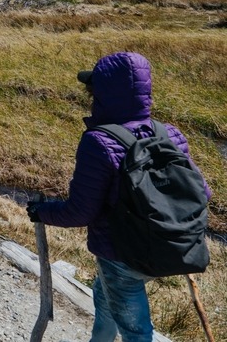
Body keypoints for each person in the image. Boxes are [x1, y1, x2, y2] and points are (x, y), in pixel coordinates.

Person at [27, 52, 212, 342]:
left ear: (100, 94)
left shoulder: (98, 141)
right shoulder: (170, 134)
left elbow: (80, 213)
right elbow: (202, 192)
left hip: (121, 255)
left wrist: (41, 211)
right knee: (104, 296)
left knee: (137, 332)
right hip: (169, 247)